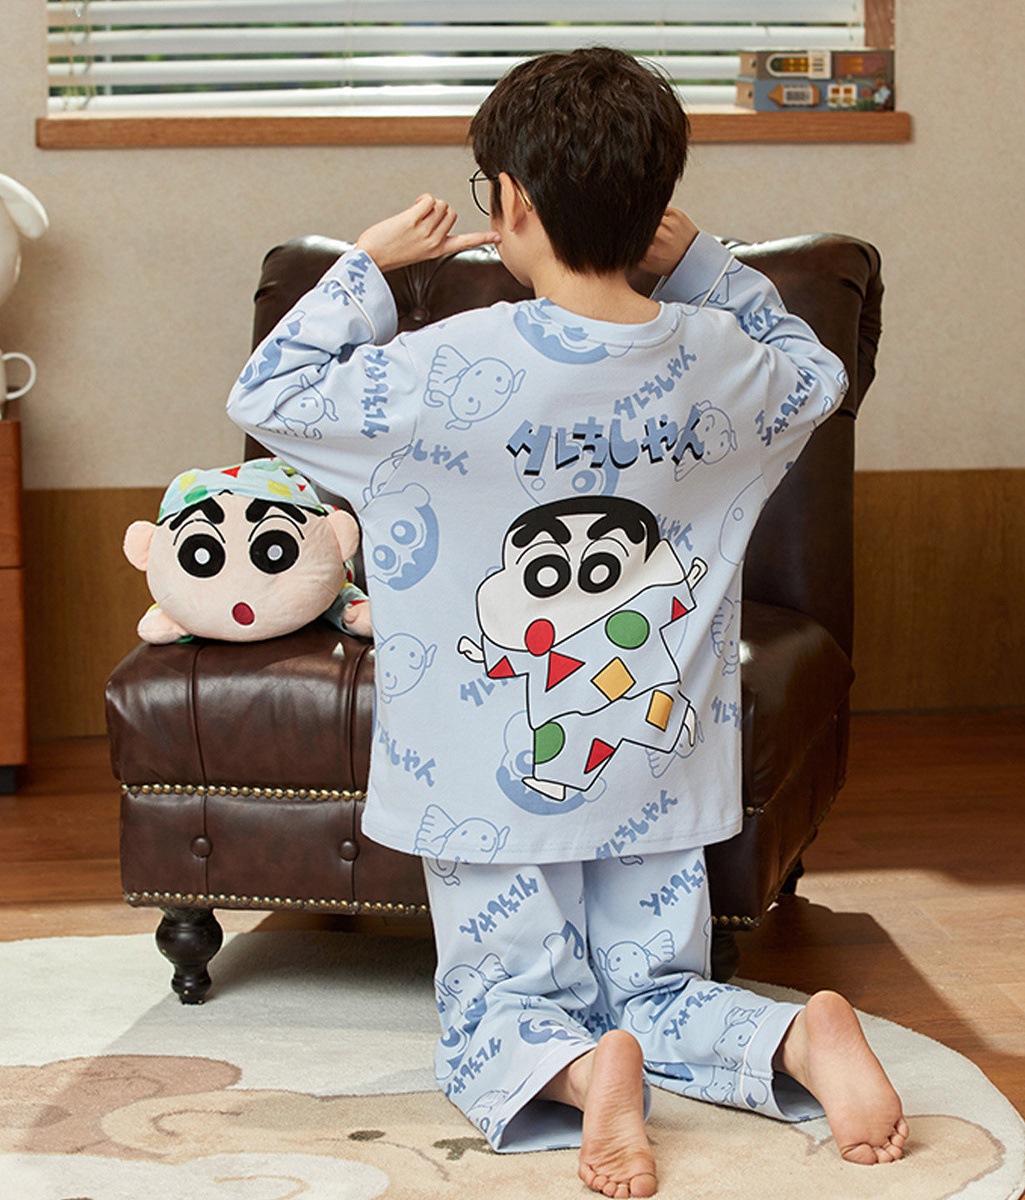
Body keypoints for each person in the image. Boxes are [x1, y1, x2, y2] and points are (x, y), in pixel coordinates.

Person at [227, 46, 906, 1198]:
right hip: (653, 749)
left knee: (498, 1002)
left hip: (486, 776)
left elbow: (267, 395)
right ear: (654, 206)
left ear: (512, 204)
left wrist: (367, 267)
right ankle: (795, 1041)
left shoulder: (441, 370)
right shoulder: (723, 362)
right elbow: (817, 370)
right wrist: (706, 265)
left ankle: (588, 1077)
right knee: (659, 985)